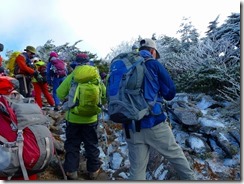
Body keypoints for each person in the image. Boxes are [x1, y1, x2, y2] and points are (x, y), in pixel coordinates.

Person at [125, 38, 196, 180]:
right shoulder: (153, 64)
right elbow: (170, 93)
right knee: (176, 156)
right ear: (152, 51)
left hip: (130, 125)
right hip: (153, 122)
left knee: (137, 170)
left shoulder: (126, 65)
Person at [56, 53, 106, 180]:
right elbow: (104, 97)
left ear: (76, 63)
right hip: (91, 118)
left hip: (73, 118)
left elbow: (60, 93)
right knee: (92, 144)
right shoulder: (96, 77)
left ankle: (71, 171)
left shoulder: (73, 76)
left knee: (72, 144)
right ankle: (93, 170)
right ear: (88, 62)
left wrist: (69, 100)